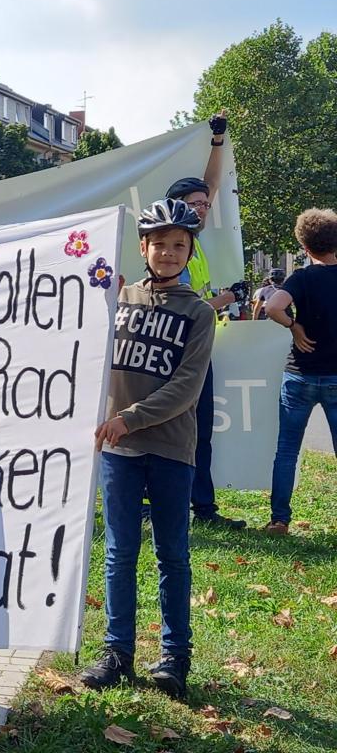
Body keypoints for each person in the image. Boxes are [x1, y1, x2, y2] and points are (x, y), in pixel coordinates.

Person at [81, 199, 215, 699]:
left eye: (179, 245)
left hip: (170, 447)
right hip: (119, 449)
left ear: (190, 251)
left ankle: (175, 656)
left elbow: (186, 387)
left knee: (171, 554)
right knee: (119, 553)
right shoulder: (119, 298)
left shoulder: (199, 313)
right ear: (143, 247)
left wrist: (129, 418)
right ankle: (117, 651)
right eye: (159, 244)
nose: (168, 252)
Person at [163, 112, 248, 529]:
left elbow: (211, 183)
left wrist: (218, 141)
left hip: (196, 349)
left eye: (205, 205)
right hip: (178, 353)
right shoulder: (172, 246)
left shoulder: (191, 241)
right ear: (177, 207)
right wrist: (228, 298)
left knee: (200, 434)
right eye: (195, 205)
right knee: (180, 433)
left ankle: (201, 508)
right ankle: (177, 506)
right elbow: (185, 306)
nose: (203, 208)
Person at [263, 208, 337, 535]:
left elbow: (272, 306)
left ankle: (280, 519)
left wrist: (293, 326)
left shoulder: (301, 278)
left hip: (299, 374)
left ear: (304, 247)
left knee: (287, 450)